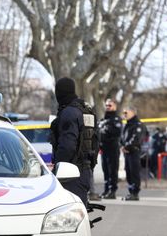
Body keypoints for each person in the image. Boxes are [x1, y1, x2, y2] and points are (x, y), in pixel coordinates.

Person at [50, 77, 98, 205]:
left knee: (70, 214)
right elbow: (95, 142)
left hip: (70, 174)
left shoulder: (69, 113)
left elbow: (67, 146)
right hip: (85, 170)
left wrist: (58, 169)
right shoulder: (87, 111)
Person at [99, 99, 122, 199]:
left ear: (115, 106)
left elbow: (116, 132)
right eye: (107, 105)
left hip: (113, 149)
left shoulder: (116, 119)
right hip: (104, 149)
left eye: (110, 105)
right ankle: (106, 190)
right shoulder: (103, 119)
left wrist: (105, 131)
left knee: (112, 170)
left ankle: (112, 191)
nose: (108, 107)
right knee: (106, 170)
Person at [121, 106, 145, 201]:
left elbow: (136, 139)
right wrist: (122, 146)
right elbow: (122, 137)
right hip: (127, 152)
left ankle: (135, 193)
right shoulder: (127, 124)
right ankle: (131, 192)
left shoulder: (138, 124)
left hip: (134, 151)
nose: (124, 114)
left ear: (133, 112)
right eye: (124, 113)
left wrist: (126, 147)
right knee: (129, 172)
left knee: (134, 172)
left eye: (126, 113)